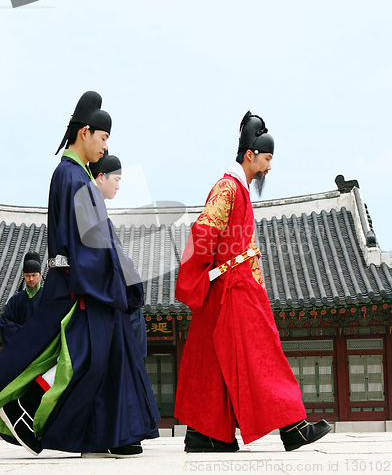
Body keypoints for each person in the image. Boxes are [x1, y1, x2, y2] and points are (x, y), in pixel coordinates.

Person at [0, 91, 160, 457]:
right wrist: (115, 282)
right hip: (81, 287)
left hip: (79, 283)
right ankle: (29, 413)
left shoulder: (73, 175)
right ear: (85, 132)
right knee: (83, 360)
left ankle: (107, 434)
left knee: (88, 358)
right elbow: (90, 245)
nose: (105, 147)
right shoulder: (73, 177)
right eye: (103, 139)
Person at [174, 111, 331, 452]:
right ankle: (293, 427)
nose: (269, 168)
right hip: (233, 288)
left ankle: (207, 435)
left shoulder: (237, 189)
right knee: (264, 354)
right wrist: (200, 278)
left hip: (235, 286)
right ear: (250, 155)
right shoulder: (228, 187)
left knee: (214, 361)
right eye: (267, 159)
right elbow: (203, 231)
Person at [90, 152, 147, 358]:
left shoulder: (96, 209)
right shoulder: (90, 208)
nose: (118, 186)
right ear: (101, 176)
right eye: (117, 180)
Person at [0, 252, 43, 347]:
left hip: (42, 348)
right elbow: (6, 324)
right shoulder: (15, 300)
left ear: (40, 274)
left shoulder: (48, 298)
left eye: (34, 275)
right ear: (23, 274)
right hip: (20, 348)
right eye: (27, 275)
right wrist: (26, 332)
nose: (31, 279)